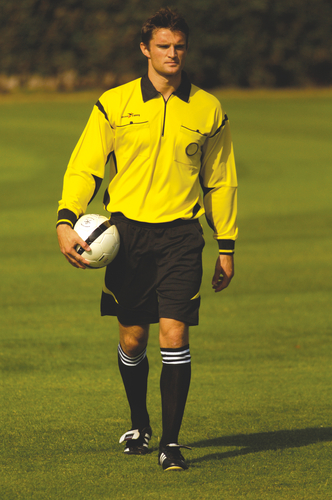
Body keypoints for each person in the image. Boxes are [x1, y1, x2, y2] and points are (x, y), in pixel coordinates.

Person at [56, 7, 238, 471]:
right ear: (145, 49)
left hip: (181, 236)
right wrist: (65, 219)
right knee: (134, 340)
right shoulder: (113, 104)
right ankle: (140, 423)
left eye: (179, 46)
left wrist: (226, 244)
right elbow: (85, 167)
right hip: (127, 236)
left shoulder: (208, 109)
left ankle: (171, 444)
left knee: (174, 335)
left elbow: (221, 181)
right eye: (163, 46)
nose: (172, 53)